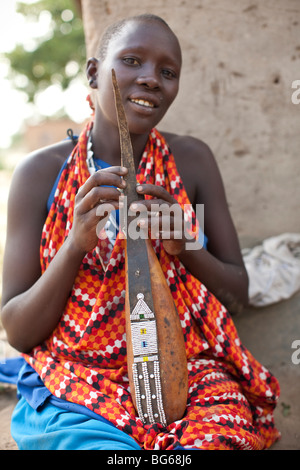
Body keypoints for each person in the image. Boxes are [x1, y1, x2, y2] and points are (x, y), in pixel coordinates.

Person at [0, 14, 280, 450]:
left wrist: (185, 247)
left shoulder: (192, 163)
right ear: (94, 72)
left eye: (168, 72)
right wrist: (75, 245)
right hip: (77, 383)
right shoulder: (40, 175)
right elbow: (17, 331)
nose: (151, 79)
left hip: (187, 372)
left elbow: (236, 299)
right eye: (132, 61)